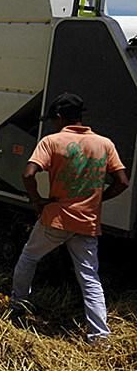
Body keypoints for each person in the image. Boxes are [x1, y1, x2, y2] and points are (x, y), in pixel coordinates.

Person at [10, 92, 129, 345]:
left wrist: (37, 201)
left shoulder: (52, 141)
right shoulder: (104, 144)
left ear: (60, 117)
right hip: (87, 222)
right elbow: (122, 182)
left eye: (54, 119)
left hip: (57, 219)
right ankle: (100, 335)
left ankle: (18, 305)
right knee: (90, 278)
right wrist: (98, 200)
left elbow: (28, 174)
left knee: (29, 257)